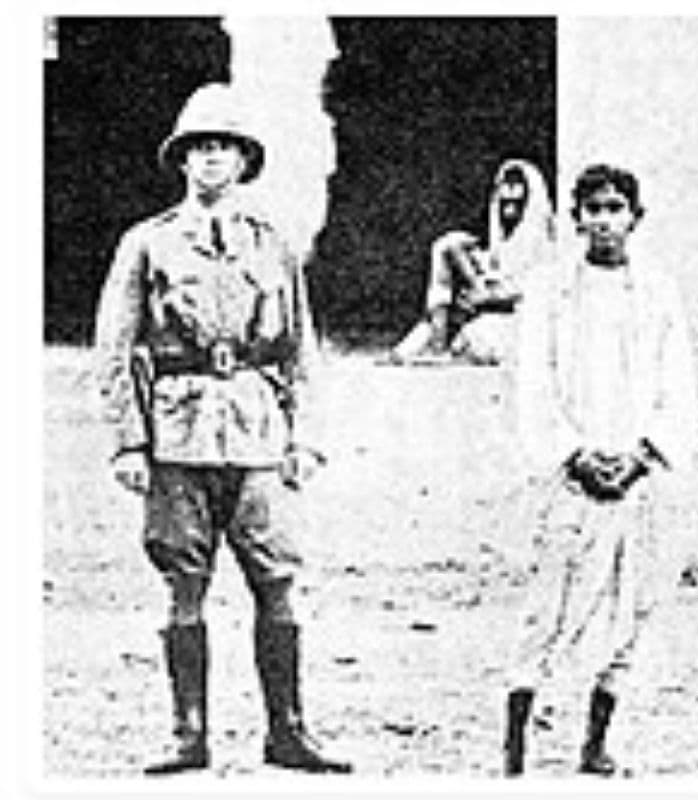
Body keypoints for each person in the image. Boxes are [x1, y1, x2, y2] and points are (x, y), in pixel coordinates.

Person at [93, 83, 350, 775]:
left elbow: (301, 347)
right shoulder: (148, 244)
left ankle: (288, 731)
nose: (211, 159)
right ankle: (189, 733)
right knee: (184, 580)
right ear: (181, 160)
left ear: (244, 161)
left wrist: (306, 437)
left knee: (277, 578)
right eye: (199, 148)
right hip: (177, 434)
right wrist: (128, 442)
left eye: (225, 148)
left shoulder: (273, 244)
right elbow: (114, 349)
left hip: (259, 433)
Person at [501, 164, 697, 777]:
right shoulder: (550, 290)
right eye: (594, 208)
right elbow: (532, 381)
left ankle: (596, 742)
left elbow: (677, 383)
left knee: (631, 603)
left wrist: (642, 455)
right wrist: (574, 453)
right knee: (548, 609)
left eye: (617, 208)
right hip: (570, 477)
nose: (605, 220)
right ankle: (516, 747)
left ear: (636, 218)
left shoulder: (658, 291)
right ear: (576, 217)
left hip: (636, 475)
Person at [390, 158, 555, 365]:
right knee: (447, 245)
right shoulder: (500, 236)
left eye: (516, 204)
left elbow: (536, 291)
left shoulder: (545, 238)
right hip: (491, 301)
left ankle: (443, 343)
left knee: (475, 338)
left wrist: (488, 297)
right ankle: (437, 338)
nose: (509, 209)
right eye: (505, 202)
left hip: (520, 319)